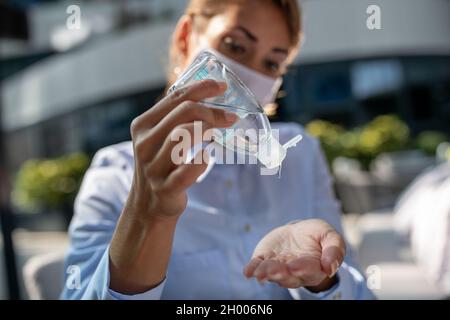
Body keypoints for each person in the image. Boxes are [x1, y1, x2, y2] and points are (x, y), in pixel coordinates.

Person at [61, 0, 374, 300]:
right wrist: (147, 214)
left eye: (271, 63)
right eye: (235, 46)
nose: (249, 77)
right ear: (186, 38)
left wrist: (323, 280)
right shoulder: (115, 175)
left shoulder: (298, 153)